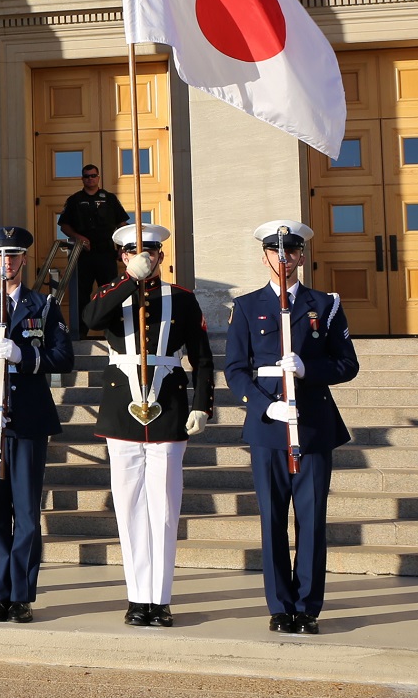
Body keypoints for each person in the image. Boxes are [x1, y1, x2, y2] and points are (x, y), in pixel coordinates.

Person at [224, 220, 360, 635]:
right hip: (269, 429)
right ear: (264, 256)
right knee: (272, 519)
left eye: (291, 253)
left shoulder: (326, 304)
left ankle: (307, 606)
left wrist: (309, 369)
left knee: (312, 520)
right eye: (274, 252)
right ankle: (281, 606)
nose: (283, 260)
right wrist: (265, 408)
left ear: (302, 256)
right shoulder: (247, 306)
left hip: (314, 424)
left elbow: (347, 364)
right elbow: (235, 369)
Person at [82, 223, 214, 628]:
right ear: (122, 256)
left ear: (161, 256)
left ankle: (160, 599)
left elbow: (202, 358)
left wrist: (202, 405)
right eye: (134, 253)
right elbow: (91, 318)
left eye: (152, 253)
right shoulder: (111, 294)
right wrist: (129, 281)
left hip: (168, 406)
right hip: (122, 410)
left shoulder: (183, 299)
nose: (145, 258)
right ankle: (137, 597)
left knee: (164, 507)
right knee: (129, 508)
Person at [0, 226, 74, 623]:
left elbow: (63, 356)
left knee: (26, 509)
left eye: (15, 256)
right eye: (1, 256)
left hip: (29, 420)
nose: (8, 262)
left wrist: (26, 356)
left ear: (24, 261)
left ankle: (21, 593)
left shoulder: (43, 306)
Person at [57, 163, 129, 339]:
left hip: (106, 252)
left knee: (112, 292)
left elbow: (122, 225)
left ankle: (114, 332)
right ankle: (80, 332)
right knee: (81, 294)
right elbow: (64, 225)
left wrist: (124, 247)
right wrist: (77, 237)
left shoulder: (110, 199)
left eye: (93, 175)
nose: (90, 179)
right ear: (83, 178)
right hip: (84, 254)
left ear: (98, 177)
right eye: (86, 176)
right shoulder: (74, 200)